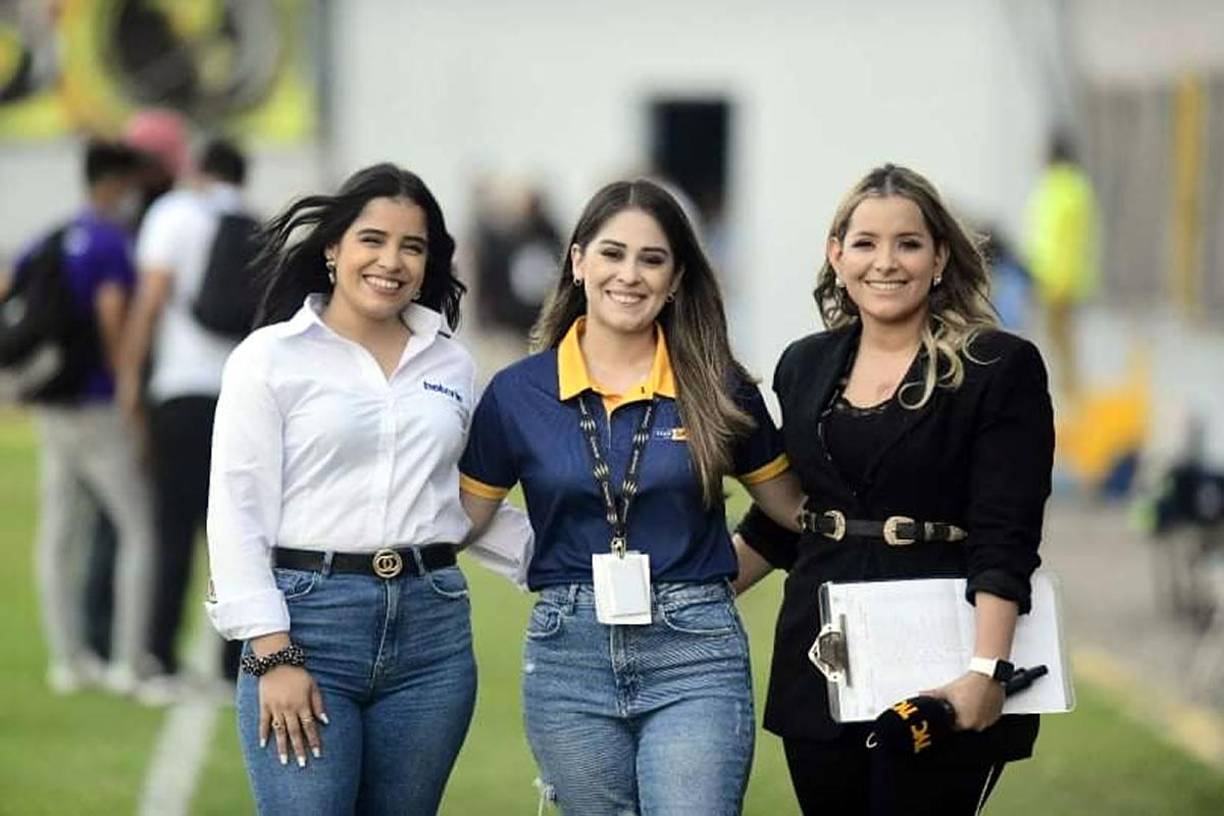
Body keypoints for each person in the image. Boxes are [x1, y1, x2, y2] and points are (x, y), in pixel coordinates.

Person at [459, 179, 806, 815]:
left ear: (676, 278)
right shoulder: (516, 394)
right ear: (577, 261)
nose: (630, 275)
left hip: (695, 651)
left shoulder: (718, 384)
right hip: (568, 656)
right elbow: (462, 520)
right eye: (612, 254)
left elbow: (794, 513)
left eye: (652, 259)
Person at [734, 163, 1055, 816]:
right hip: (820, 665)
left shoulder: (999, 367)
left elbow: (1006, 536)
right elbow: (786, 521)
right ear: (836, 254)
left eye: (908, 243)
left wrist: (987, 672)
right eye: (865, 243)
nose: (886, 262)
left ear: (939, 258)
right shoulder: (803, 364)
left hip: (942, 664)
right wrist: (676, 595)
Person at [205, 163, 477, 814]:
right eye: (372, 240)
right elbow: (237, 510)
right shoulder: (268, 358)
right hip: (310, 625)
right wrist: (272, 654)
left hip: (433, 635)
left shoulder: (453, 363)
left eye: (413, 247)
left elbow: (464, 501)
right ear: (333, 248)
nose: (392, 261)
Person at [22, 140, 156, 693]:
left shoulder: (51, 237)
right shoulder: (109, 241)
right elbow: (111, 312)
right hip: (98, 404)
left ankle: (67, 659)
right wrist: (128, 382)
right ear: (116, 182)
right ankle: (127, 658)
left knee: (58, 532)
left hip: (52, 404)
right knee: (138, 528)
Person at [117, 138, 250, 692]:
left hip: (181, 387)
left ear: (196, 168)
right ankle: (229, 664)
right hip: (239, 392)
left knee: (170, 527)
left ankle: (158, 659)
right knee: (234, 530)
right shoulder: (250, 222)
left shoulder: (174, 213)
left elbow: (151, 299)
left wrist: (129, 377)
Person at [1025, 131, 1099, 399]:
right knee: (1062, 340)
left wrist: (1047, 276)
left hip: (1055, 277)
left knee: (1059, 340)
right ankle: (1069, 391)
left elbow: (1054, 239)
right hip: (1065, 275)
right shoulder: (1076, 186)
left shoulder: (1057, 188)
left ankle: (1069, 394)